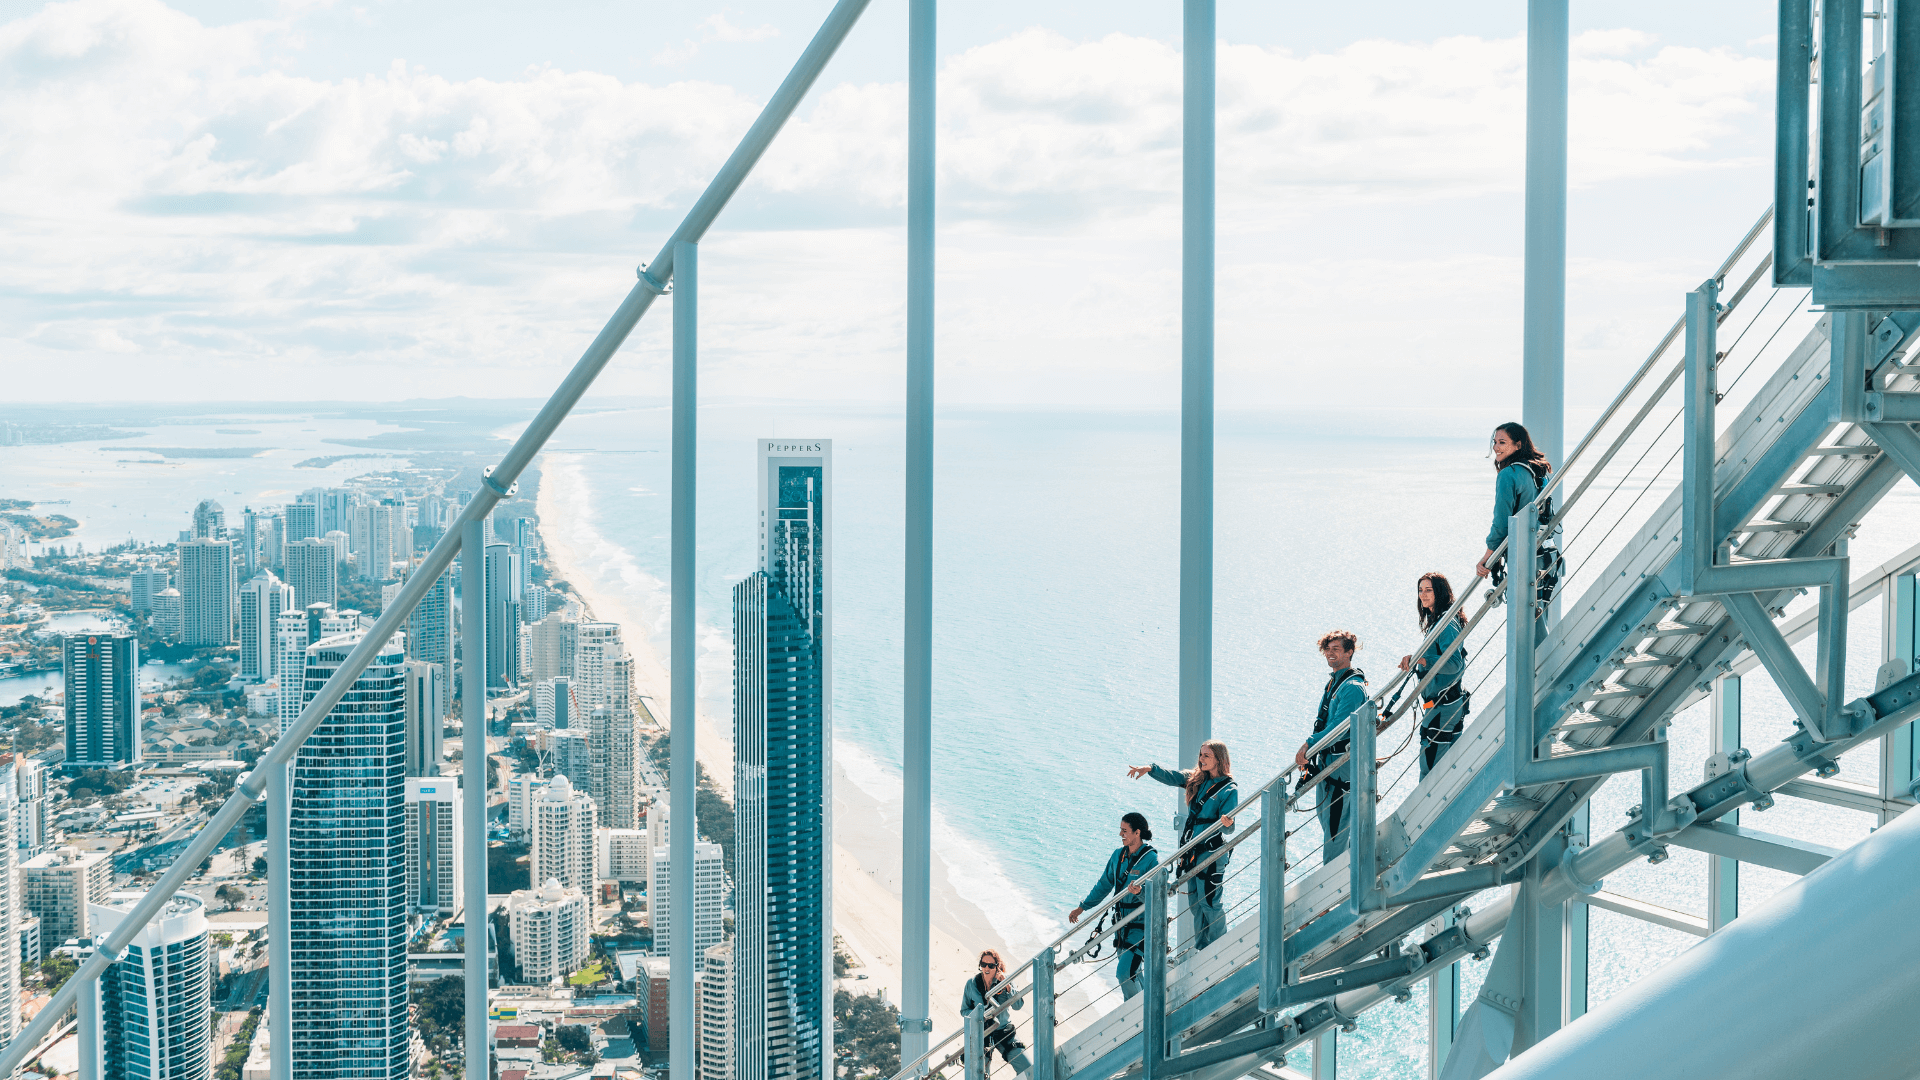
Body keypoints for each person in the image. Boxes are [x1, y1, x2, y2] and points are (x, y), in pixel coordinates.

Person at [1127, 740, 1238, 951]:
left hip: (1211, 852)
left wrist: (1228, 823)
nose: (1201, 759)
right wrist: (1150, 769)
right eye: (1201, 754)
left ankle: (1222, 948)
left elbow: (1230, 828)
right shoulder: (1197, 779)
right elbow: (1173, 777)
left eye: (1207, 756)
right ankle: (1202, 948)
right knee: (1196, 903)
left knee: (1211, 902)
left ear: (1219, 759)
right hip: (1192, 851)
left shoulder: (1229, 789)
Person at [1475, 421, 1556, 643]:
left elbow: (1502, 523)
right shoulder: (1539, 472)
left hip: (1524, 555)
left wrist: (1487, 557)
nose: (1496, 448)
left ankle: (1538, 673)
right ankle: (1547, 666)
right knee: (1541, 617)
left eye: (1502, 442)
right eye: (1495, 442)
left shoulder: (1508, 475)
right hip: (1546, 553)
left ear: (1518, 445)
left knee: (1526, 627)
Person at [1294, 630, 1368, 861]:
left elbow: (1339, 729)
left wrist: (1310, 744)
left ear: (1349, 652)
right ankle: (1341, 874)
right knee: (1329, 824)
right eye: (1328, 649)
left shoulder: (1352, 688)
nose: (1330, 653)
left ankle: (1333, 885)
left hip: (1340, 771)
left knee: (1336, 830)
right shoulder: (1335, 684)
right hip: (1328, 766)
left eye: (1336, 649)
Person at [1069, 812, 1160, 1000]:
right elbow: (1104, 884)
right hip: (1120, 925)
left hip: (1141, 925)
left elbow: (1158, 895)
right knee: (1134, 973)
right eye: (1120, 830)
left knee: (1124, 973)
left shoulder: (1151, 860)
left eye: (1125, 831)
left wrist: (1140, 892)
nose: (1121, 835)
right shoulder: (1118, 856)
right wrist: (1082, 907)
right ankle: (1147, 1007)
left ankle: (1135, 1014)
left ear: (1137, 832)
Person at [1398, 573, 1469, 777]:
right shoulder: (1438, 620)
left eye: (1429, 590)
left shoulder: (1446, 623)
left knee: (1431, 773)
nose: (1423, 595)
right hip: (1446, 704)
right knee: (1447, 769)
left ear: (1440, 592)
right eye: (1420, 590)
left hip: (1443, 708)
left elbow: (1455, 663)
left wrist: (1422, 660)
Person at [961, 949, 1031, 1074]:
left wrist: (1007, 986)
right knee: (980, 1073)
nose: (986, 968)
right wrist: (978, 1015)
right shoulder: (971, 984)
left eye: (991, 965)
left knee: (1028, 1067)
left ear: (997, 967)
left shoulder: (1006, 980)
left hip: (1003, 1030)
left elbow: (1018, 1005)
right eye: (983, 964)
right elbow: (964, 1010)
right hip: (982, 1032)